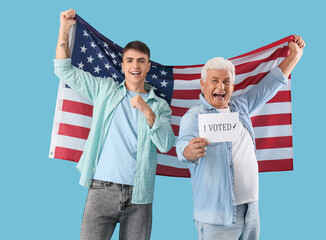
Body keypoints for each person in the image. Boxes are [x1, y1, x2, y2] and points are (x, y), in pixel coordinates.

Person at [54, 9, 175, 240]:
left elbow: (166, 144)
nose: (135, 65)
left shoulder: (159, 106)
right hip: (101, 189)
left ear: (148, 66)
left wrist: (147, 110)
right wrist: (64, 29)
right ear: (122, 65)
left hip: (139, 196)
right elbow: (63, 70)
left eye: (141, 61)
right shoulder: (105, 90)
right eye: (130, 60)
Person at [176, 35, 305, 240]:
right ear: (202, 85)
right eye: (215, 81)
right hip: (217, 217)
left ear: (233, 86)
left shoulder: (240, 106)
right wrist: (188, 151)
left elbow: (269, 85)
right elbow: (182, 144)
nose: (221, 87)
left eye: (227, 81)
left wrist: (295, 57)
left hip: (251, 209)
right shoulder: (194, 116)